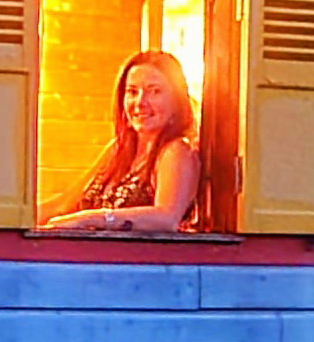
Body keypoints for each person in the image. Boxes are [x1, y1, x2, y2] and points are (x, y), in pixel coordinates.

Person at [40, 48, 206, 235]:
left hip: (142, 262)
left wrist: (94, 218)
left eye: (154, 92)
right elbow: (65, 205)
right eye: (132, 92)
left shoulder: (176, 151)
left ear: (176, 100)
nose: (140, 102)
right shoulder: (118, 149)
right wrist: (12, 220)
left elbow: (166, 218)